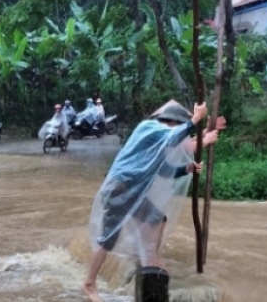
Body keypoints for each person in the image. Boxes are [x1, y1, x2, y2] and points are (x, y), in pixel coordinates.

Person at [81, 100, 226, 302]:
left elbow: (164, 170)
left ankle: (148, 260)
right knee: (108, 239)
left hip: (132, 193)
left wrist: (187, 169)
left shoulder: (158, 141)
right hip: (120, 190)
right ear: (172, 122)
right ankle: (89, 283)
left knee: (157, 218)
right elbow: (176, 138)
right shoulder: (149, 128)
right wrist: (196, 119)